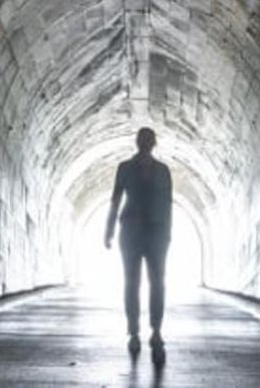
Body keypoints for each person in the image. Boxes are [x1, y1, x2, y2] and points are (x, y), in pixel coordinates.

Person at [104, 127, 173, 362]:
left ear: (153, 143)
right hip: (131, 233)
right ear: (137, 142)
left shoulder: (164, 171)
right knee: (132, 282)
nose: (145, 143)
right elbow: (115, 200)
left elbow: (167, 204)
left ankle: (155, 330)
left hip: (156, 233)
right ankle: (134, 331)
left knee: (157, 283)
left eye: (148, 140)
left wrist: (167, 233)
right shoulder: (125, 168)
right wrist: (109, 230)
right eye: (142, 139)